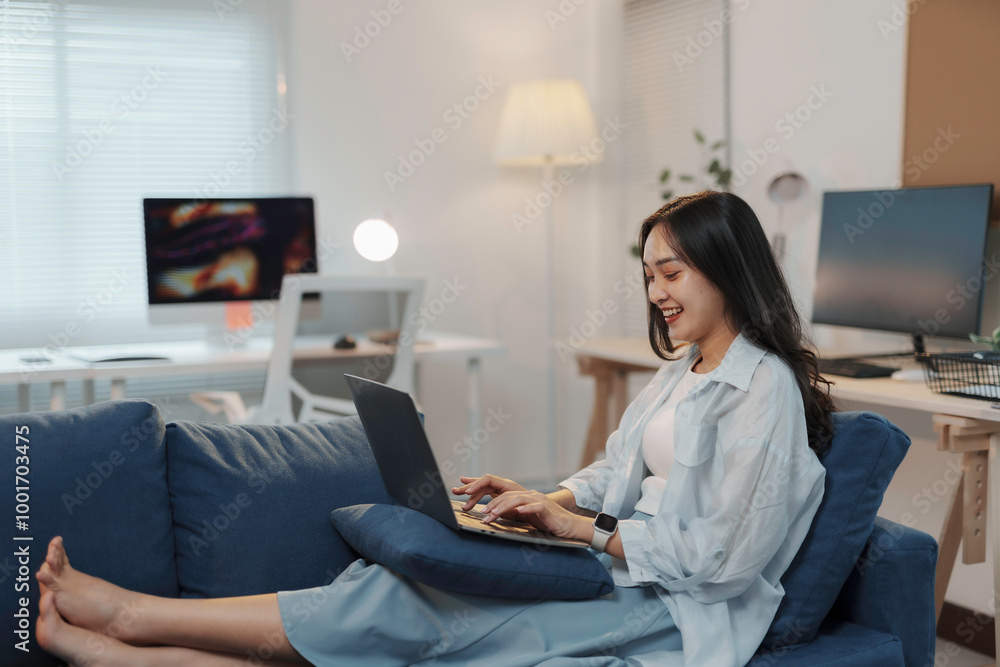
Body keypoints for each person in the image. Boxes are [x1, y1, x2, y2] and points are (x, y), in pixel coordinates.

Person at [35, 190, 834, 666]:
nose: (656, 291)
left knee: (407, 603)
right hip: (613, 564)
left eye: (672, 272)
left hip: (673, 605)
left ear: (727, 267)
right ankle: (126, 644)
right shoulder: (678, 373)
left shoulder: (762, 392)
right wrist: (540, 498)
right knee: (389, 590)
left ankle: (136, 620)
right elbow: (611, 469)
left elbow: (722, 559)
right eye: (649, 275)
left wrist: (580, 529)